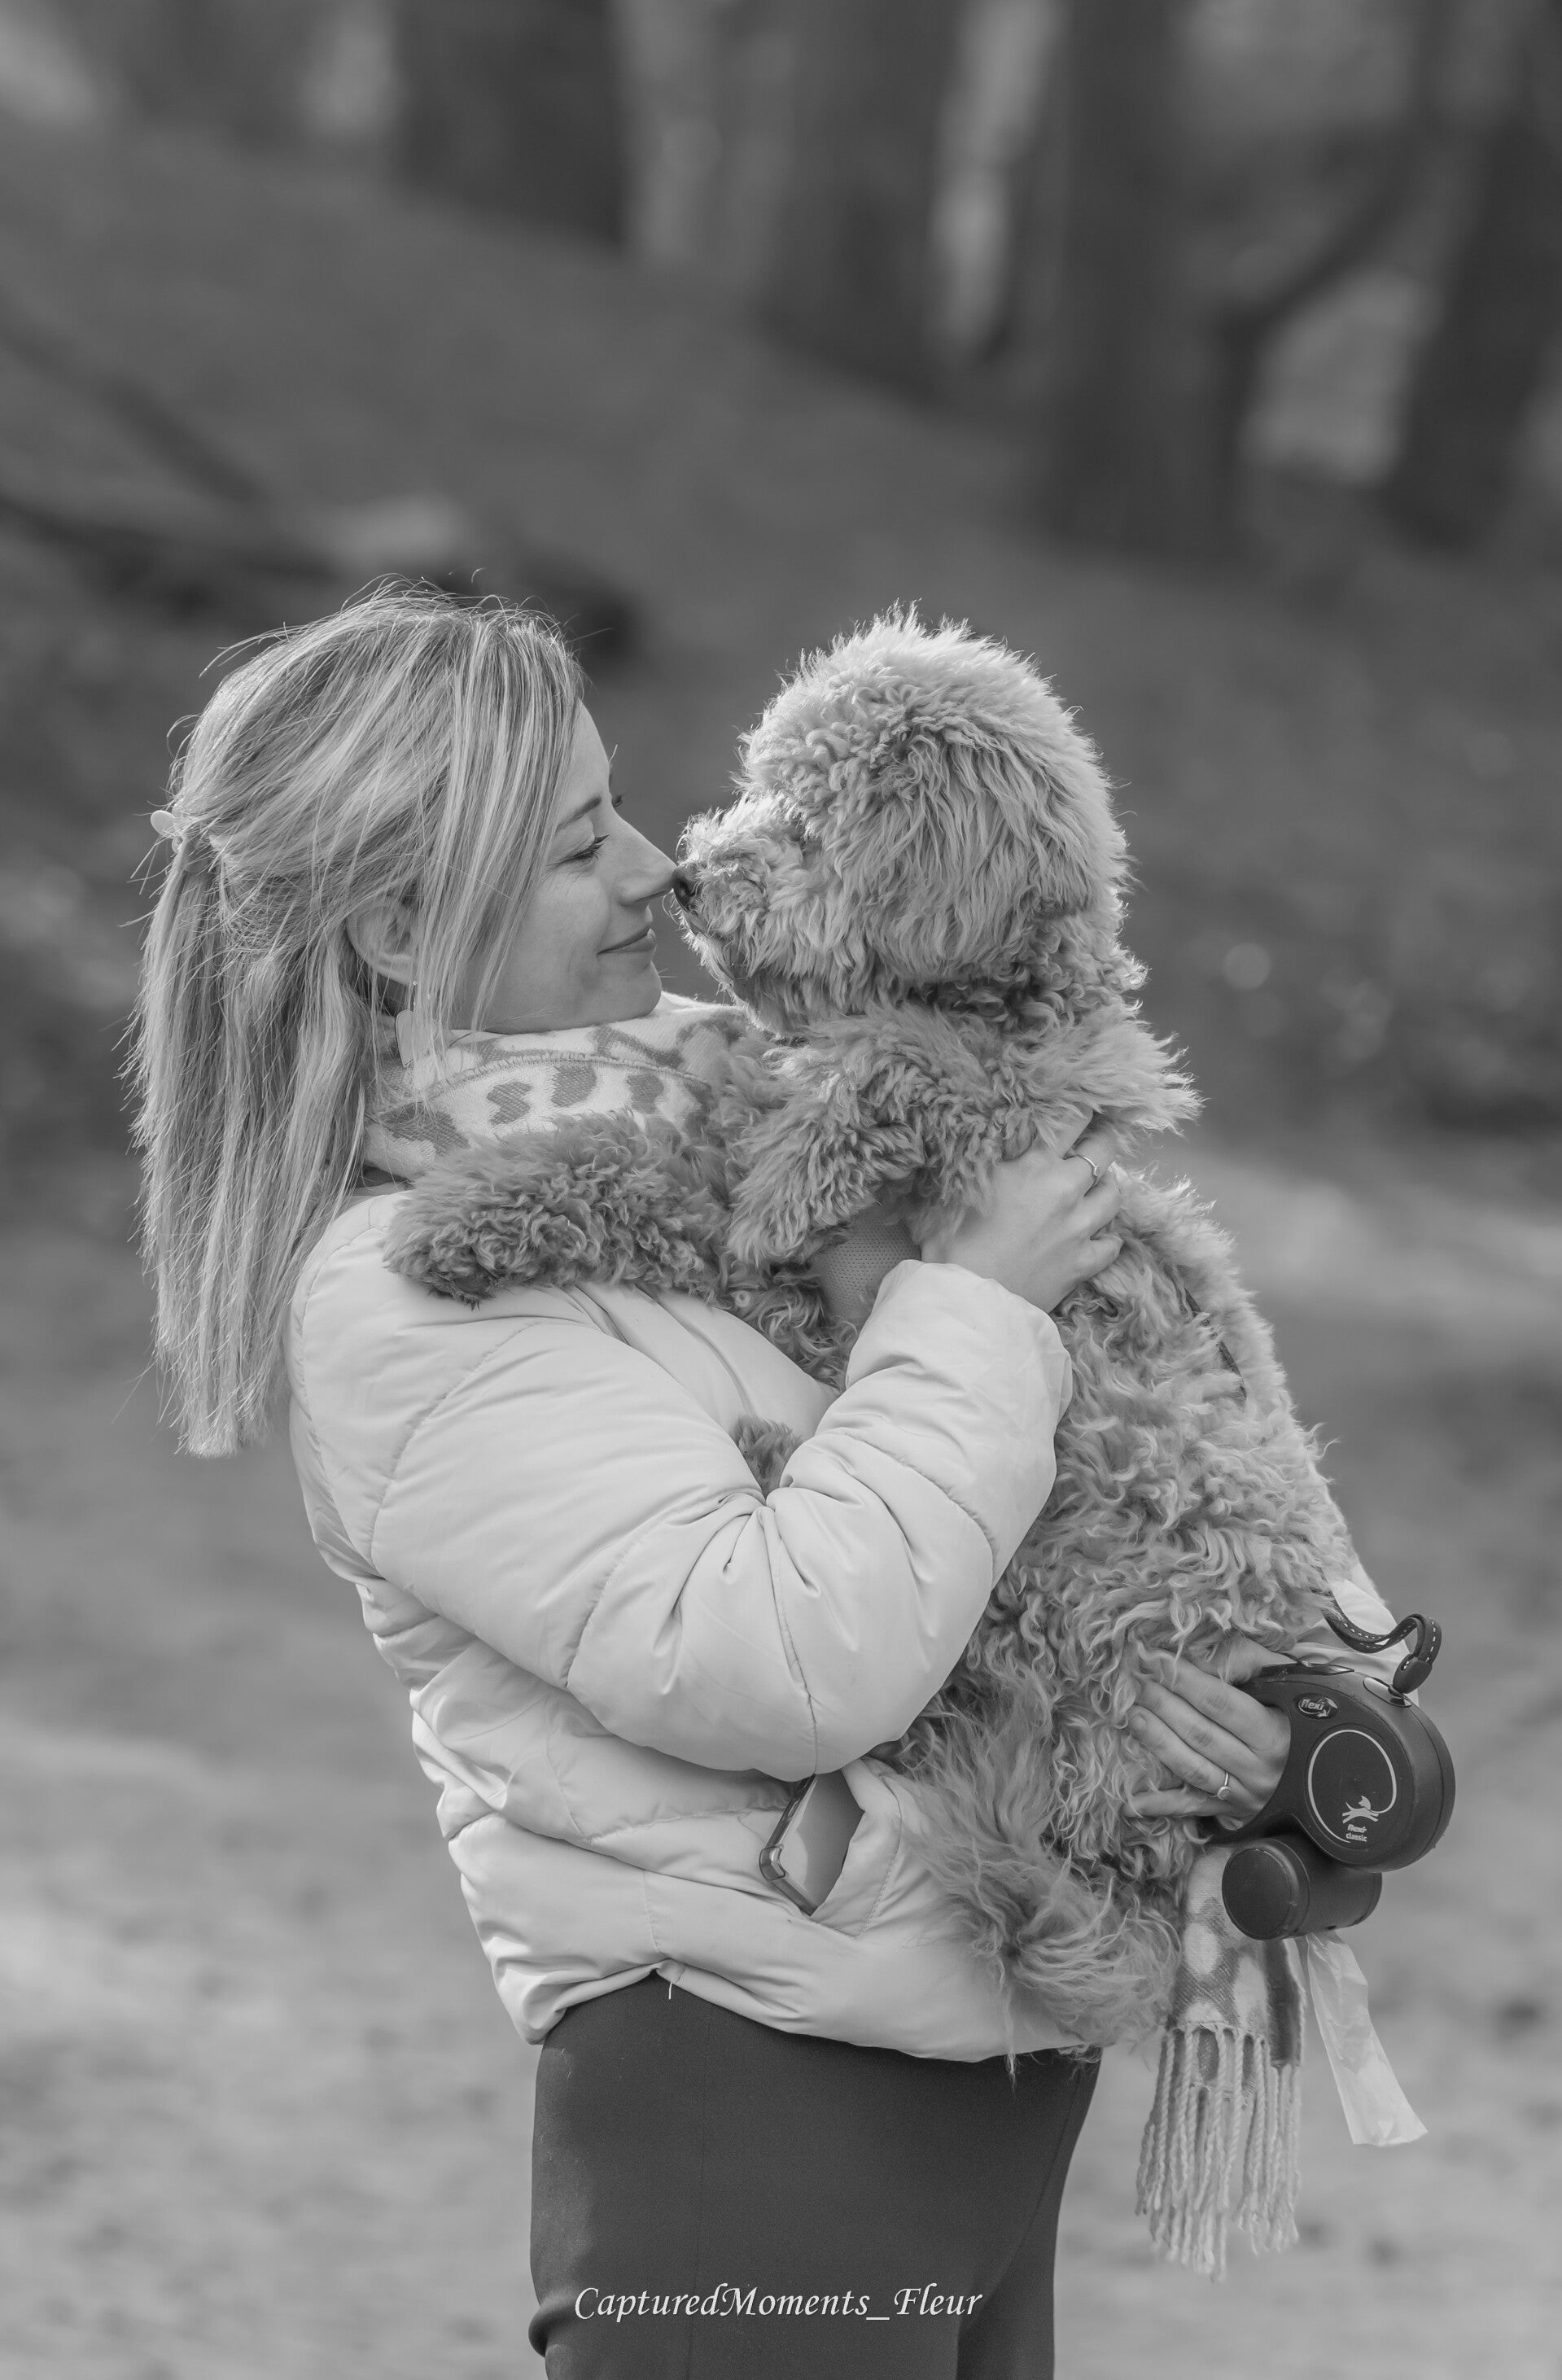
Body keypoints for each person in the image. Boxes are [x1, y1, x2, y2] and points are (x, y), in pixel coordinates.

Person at [133, 589, 1319, 2379]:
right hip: (752, 2111)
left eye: (618, 805)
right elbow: (785, 1659)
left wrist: (1232, 1707)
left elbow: (1016, 1511)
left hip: (966, 2074)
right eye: (574, 847)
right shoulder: (412, 1294)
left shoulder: (735, 1112)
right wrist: (974, 1306)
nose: (656, 866)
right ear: (398, 926)